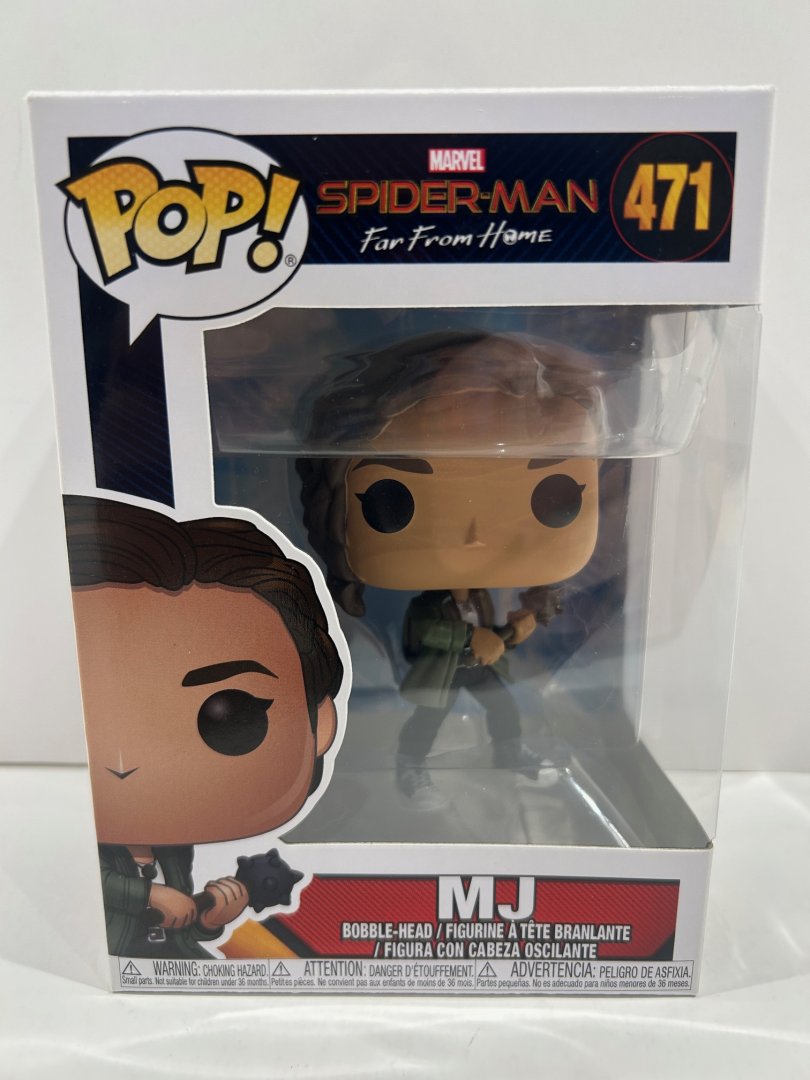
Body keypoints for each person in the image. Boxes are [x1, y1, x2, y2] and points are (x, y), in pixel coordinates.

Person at [298, 331, 600, 807]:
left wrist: (516, 629)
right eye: (392, 503)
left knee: (504, 711)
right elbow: (425, 632)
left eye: (555, 496)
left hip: (479, 668)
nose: (475, 536)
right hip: (440, 674)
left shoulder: (482, 596)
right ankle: (411, 766)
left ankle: (509, 752)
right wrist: (477, 638)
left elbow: (493, 636)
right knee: (427, 723)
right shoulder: (430, 604)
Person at [65, 495, 344, 956]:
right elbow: (91, 883)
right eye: (93, 714)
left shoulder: (172, 847)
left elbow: (178, 928)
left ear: (321, 722)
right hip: (93, 960)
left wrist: (210, 919)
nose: (128, 763)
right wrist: (149, 895)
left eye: (230, 714)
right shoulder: (82, 839)